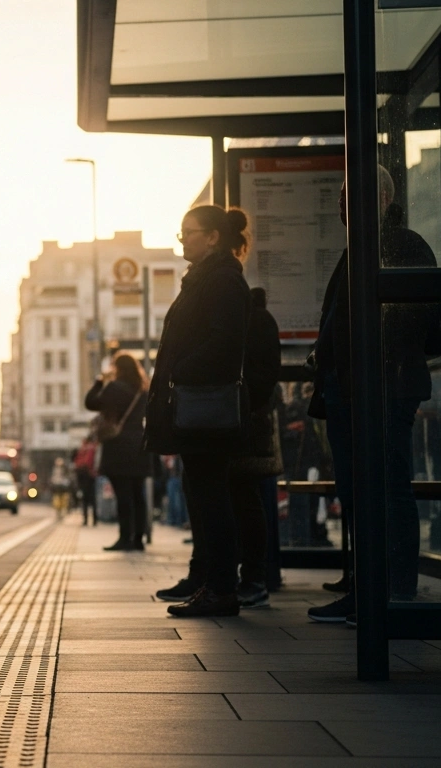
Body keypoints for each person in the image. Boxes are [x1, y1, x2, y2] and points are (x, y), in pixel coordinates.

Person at [307, 169, 434, 623]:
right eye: (341, 198)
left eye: (350, 196)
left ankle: (393, 590)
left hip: (383, 388)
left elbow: (414, 317)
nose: (342, 206)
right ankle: (368, 584)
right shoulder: (360, 248)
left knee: (387, 487)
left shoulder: (401, 244)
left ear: (380, 197)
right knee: (358, 490)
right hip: (352, 390)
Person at [145, 204, 251, 618]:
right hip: (198, 406)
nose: (183, 239)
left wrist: (181, 370)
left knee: (212, 497)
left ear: (212, 237)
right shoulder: (204, 280)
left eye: (190, 232)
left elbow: (224, 346)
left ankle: (222, 587)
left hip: (206, 408)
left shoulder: (222, 281)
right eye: (181, 233)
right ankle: (210, 581)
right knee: (203, 494)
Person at [228, 286, 282, 609]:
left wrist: (245, 402)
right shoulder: (251, 318)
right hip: (234, 414)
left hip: (244, 419)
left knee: (245, 498)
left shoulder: (256, 320)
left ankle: (254, 577)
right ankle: (245, 576)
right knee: (239, 499)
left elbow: (264, 375)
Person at [84, 352, 150, 551]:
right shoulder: (143, 390)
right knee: (139, 495)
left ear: (117, 368)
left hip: (118, 445)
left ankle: (124, 538)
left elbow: (91, 403)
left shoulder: (114, 388)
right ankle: (138, 539)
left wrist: (98, 382)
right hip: (140, 445)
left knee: (123, 495)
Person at [73, 436, 99, 526]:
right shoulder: (93, 447)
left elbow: (80, 461)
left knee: (85, 498)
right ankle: (94, 519)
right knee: (93, 498)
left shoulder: (84, 448)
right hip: (91, 475)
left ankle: (85, 519)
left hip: (84, 475)